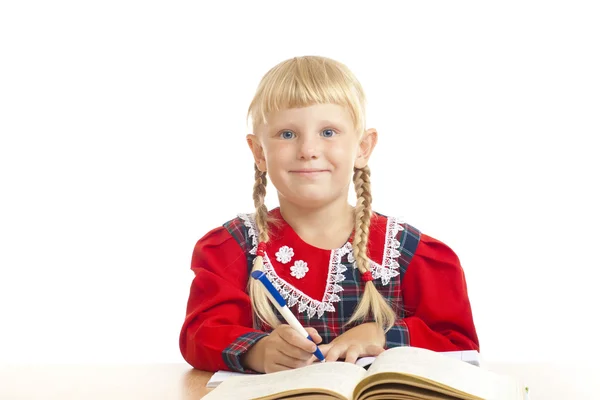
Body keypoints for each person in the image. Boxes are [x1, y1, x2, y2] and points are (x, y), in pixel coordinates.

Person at [179, 55, 479, 374]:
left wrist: (382, 335)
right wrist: (259, 351)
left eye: (328, 132)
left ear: (362, 148)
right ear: (258, 152)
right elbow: (202, 333)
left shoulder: (409, 252)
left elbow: (460, 346)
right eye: (287, 134)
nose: (308, 149)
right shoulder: (232, 248)